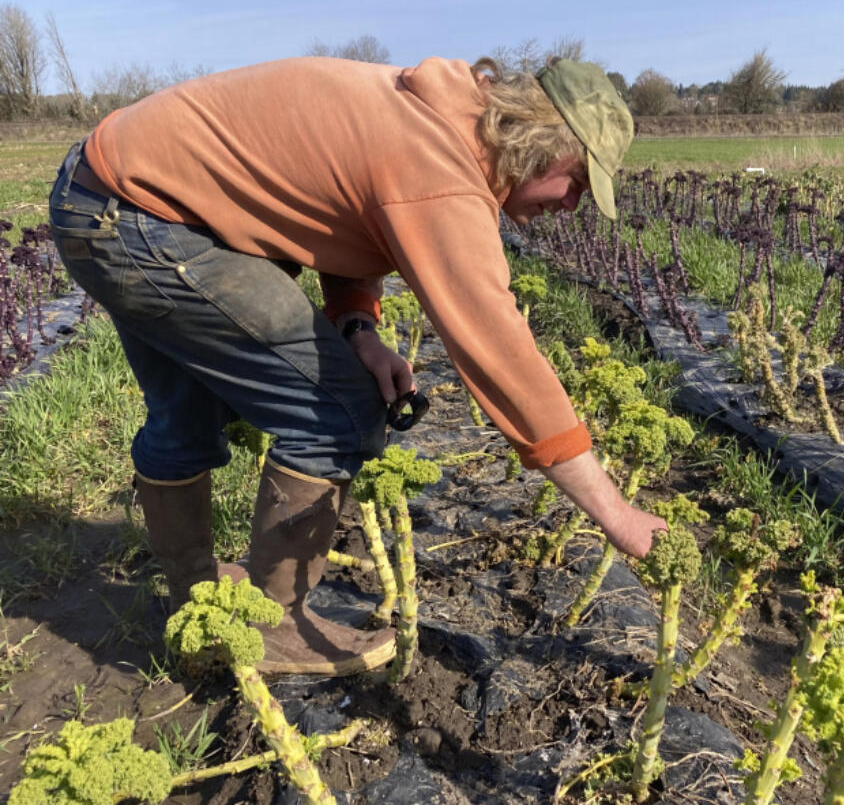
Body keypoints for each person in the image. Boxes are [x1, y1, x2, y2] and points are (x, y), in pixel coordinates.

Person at [47, 55, 666, 677]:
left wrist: (357, 326)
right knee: (339, 413)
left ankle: (197, 601)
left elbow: (341, 214)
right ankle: (270, 625)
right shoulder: (441, 172)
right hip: (146, 221)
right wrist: (616, 515)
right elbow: (501, 357)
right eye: (578, 183)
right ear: (539, 149)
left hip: (106, 193)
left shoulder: (440, 114)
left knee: (185, 410)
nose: (573, 206)